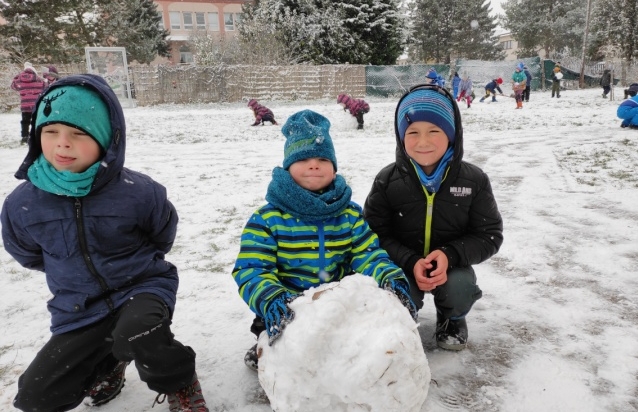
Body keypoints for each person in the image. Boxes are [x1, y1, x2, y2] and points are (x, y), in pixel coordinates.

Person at [1, 74, 210, 412]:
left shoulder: (139, 192)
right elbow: (27, 253)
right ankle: (109, 364)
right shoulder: (22, 204)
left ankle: (180, 382)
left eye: (78, 134)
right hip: (79, 307)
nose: (62, 143)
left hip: (141, 288)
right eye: (50, 132)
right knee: (36, 397)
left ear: (106, 140)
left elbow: (162, 235)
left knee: (139, 332)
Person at [232, 109, 416, 371]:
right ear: (288, 167)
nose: (314, 165)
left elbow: (367, 253)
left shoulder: (349, 214)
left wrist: (389, 276)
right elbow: (252, 269)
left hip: (336, 307)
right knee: (290, 355)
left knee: (346, 353)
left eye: (322, 158)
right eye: (303, 158)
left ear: (333, 167)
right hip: (288, 306)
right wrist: (273, 299)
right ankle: (267, 342)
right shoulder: (267, 219)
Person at [363, 85, 503, 351]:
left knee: (459, 287)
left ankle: (452, 319)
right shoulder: (388, 180)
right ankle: (402, 318)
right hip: (402, 264)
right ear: (401, 137)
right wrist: (409, 260)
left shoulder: (473, 180)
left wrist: (450, 255)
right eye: (413, 132)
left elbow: (489, 235)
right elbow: (372, 234)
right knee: (396, 292)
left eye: (434, 131)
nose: (423, 142)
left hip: (451, 266)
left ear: (451, 135)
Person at [10, 62, 45, 144]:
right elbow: (45, 86)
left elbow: (13, 86)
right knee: (35, 121)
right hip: (35, 105)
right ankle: (35, 136)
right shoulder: (38, 79)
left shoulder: (20, 80)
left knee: (25, 122)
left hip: (25, 106)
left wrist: (16, 78)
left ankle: (25, 137)